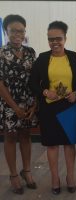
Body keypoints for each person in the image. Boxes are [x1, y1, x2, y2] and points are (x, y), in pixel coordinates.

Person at [29, 21, 76, 195]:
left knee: (69, 145)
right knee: (52, 145)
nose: (55, 42)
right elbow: (31, 83)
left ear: (65, 38)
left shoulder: (74, 57)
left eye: (58, 38)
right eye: (50, 39)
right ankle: (55, 178)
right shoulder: (43, 58)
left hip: (69, 107)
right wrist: (45, 91)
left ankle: (70, 177)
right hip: (49, 108)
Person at [0, 14, 37, 195]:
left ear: (24, 33)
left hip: (28, 102)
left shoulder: (31, 53)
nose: (17, 34)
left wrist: (34, 104)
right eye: (13, 30)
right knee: (10, 137)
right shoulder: (1, 53)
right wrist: (14, 107)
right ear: (6, 31)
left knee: (25, 135)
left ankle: (27, 171)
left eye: (20, 31)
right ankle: (14, 175)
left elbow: (36, 79)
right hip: (9, 103)